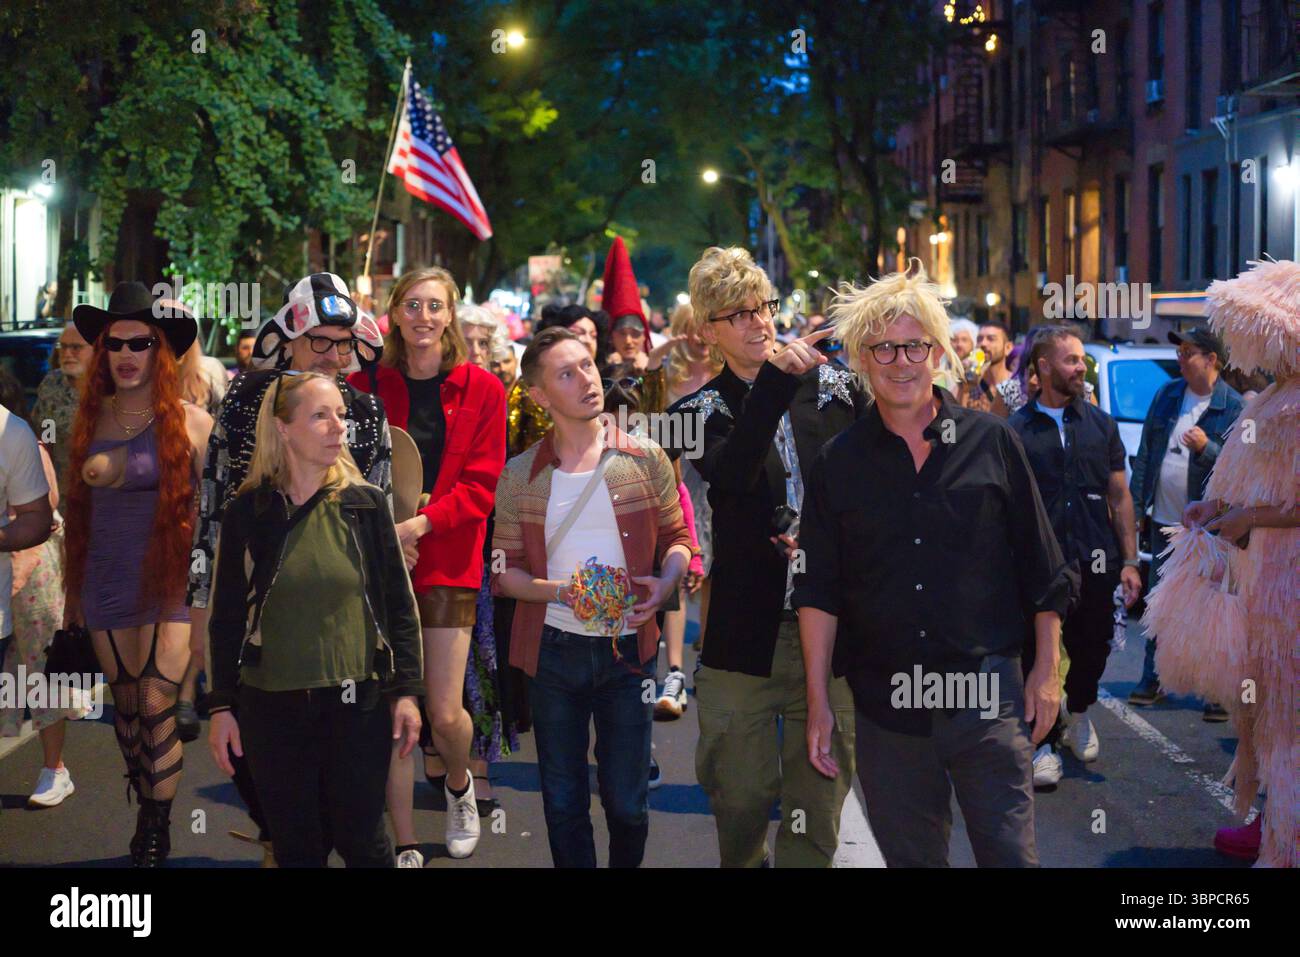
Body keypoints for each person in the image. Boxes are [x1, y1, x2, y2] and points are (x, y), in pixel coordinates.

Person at [794, 262, 1077, 867]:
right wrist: (818, 701)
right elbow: (819, 591)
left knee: (1010, 858)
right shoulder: (837, 463)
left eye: (915, 345)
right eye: (885, 348)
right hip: (887, 709)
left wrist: (1047, 670)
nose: (901, 361)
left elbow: (1043, 567)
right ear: (863, 359)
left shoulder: (993, 442)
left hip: (987, 699)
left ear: (938, 352)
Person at [665, 247, 865, 868]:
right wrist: (775, 383)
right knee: (741, 797)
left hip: (832, 631)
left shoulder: (837, 388)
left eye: (765, 308)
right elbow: (730, 475)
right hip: (742, 635)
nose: (760, 323)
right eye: (739, 314)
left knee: (817, 805)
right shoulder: (692, 414)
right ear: (708, 330)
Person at [187, 271, 390, 864]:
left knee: (354, 801)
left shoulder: (368, 411)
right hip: (251, 608)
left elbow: (380, 524)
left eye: (343, 342)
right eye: (319, 341)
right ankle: (284, 835)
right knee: (256, 749)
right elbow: (213, 499)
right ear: (292, 340)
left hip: (344, 616)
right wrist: (202, 596)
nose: (331, 354)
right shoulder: (247, 399)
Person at [492, 327, 692, 867]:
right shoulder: (519, 475)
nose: (587, 379)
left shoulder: (645, 457)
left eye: (586, 365)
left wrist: (667, 579)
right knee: (562, 801)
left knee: (627, 803)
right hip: (551, 651)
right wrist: (565, 591)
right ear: (538, 396)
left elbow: (679, 539)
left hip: (629, 654)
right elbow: (502, 572)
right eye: (566, 373)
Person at [206, 372, 423, 868]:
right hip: (271, 705)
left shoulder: (364, 504)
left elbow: (398, 605)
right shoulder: (249, 510)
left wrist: (407, 692)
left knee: (362, 841)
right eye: (320, 416)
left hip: (356, 703)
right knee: (298, 847)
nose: (338, 428)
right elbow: (226, 616)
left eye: (341, 416)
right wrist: (221, 707)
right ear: (283, 428)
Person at [1144, 257, 1299, 867]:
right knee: (1264, 708)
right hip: (1260, 579)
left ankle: (1285, 839)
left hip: (1287, 580)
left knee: (1286, 712)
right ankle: (1272, 821)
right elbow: (1258, 488)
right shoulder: (1273, 400)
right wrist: (1217, 508)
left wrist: (1251, 518)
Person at [348, 266, 506, 865]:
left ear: (451, 316)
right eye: (412, 305)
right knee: (392, 708)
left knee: (443, 711)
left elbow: (481, 487)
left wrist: (416, 526)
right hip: (375, 560)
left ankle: (460, 785)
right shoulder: (365, 386)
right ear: (394, 312)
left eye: (435, 306)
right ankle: (404, 838)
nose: (423, 317)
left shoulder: (484, 389)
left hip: (448, 561)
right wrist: (384, 534)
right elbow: (351, 472)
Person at [63, 282, 213, 866]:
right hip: (105, 576)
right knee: (124, 708)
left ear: (161, 351)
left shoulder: (193, 424)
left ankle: (157, 824)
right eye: (114, 343)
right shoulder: (85, 420)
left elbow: (215, 515)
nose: (126, 353)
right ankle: (142, 790)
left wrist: (209, 592)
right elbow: (75, 514)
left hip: (170, 578)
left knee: (155, 702)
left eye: (140, 342)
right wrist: (74, 592)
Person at [1008, 326, 1143, 787]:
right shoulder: (1015, 430)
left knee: (1094, 644)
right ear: (1043, 367)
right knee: (1034, 654)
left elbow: (1120, 495)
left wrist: (1129, 559)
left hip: (1095, 557)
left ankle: (1078, 709)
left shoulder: (1101, 425)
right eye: (1070, 360)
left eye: (1082, 359)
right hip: (1039, 562)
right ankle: (1042, 744)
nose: (1081, 367)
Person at [1128, 326, 1243, 709]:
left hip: (1210, 529)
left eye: (1189, 352)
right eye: (1180, 351)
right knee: (1159, 600)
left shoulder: (1234, 406)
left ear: (1212, 359)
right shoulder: (1167, 395)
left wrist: (1206, 448)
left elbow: (1239, 468)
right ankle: (1153, 679)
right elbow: (1146, 454)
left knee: (1211, 605)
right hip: (1165, 520)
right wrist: (1137, 507)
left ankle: (1214, 693)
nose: (1180, 357)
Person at [0, 370, 87, 808]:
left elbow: (46, 505)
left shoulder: (22, 443)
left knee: (41, 667)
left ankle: (55, 770)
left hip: (32, 568)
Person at [656, 301, 722, 719]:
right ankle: (675, 670)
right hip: (679, 486)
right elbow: (655, 434)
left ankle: (708, 662)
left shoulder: (727, 376)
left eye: (705, 329)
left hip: (720, 485)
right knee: (678, 573)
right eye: (690, 330)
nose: (698, 338)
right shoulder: (666, 378)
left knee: (717, 575)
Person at [31, 322, 92, 498]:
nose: (67, 353)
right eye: (63, 346)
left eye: (76, 347)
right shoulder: (52, 384)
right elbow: (44, 434)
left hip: (102, 493)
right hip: (61, 492)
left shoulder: (111, 388)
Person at [956, 321, 1013, 412]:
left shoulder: (1017, 386)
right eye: (979, 339)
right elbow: (958, 420)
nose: (983, 344)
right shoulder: (970, 383)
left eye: (991, 339)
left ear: (1008, 348)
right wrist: (965, 391)